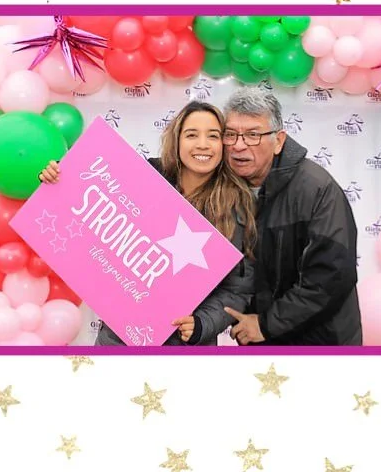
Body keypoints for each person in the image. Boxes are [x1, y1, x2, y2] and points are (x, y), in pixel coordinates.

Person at [39, 102, 256, 346]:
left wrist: (202, 323)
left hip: (184, 347)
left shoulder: (237, 206)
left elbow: (238, 290)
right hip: (119, 337)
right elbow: (86, 211)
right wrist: (57, 178)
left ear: (224, 144)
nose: (203, 144)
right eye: (192, 135)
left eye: (213, 136)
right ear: (177, 140)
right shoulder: (142, 177)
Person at [218, 87, 362, 346]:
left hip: (320, 343)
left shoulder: (316, 189)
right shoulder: (223, 188)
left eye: (253, 135)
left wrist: (266, 324)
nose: (239, 145)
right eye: (230, 134)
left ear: (278, 141)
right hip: (260, 340)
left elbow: (331, 277)